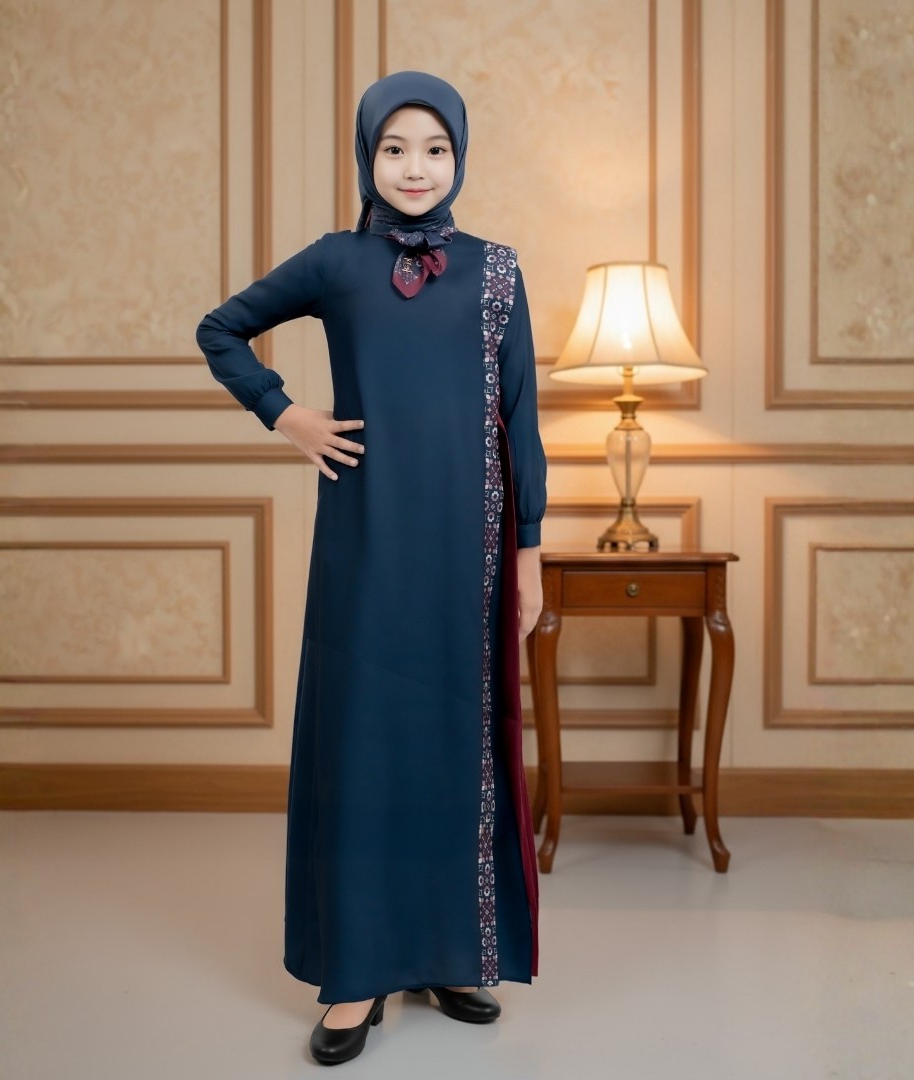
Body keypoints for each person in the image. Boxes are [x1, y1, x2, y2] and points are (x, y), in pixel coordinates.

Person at [195, 70, 546, 1067]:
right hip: (366, 544)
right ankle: (355, 973)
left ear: (459, 158)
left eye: (435, 148)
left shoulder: (497, 271)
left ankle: (445, 952)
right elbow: (221, 328)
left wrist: (529, 553)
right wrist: (285, 413)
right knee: (365, 746)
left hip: (470, 549)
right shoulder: (337, 262)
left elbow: (521, 415)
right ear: (367, 157)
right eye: (395, 148)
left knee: (453, 745)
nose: (415, 168)